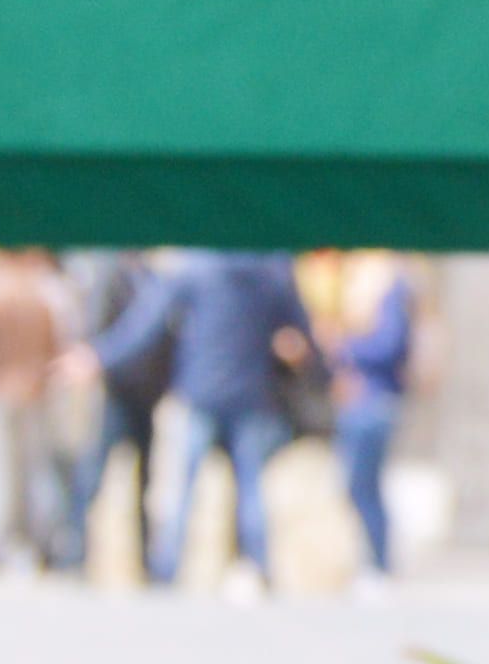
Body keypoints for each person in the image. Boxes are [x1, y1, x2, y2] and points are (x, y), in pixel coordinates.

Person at [106, 248, 315, 598]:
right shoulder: (271, 270)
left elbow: (147, 323)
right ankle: (257, 566)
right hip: (251, 394)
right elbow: (301, 331)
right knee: (251, 491)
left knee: (184, 491)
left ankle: (167, 570)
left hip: (201, 393)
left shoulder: (196, 268)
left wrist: (101, 356)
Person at [0, 250, 80, 574]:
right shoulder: (43, 295)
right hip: (35, 392)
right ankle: (42, 542)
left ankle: (1, 542)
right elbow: (57, 346)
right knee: (36, 472)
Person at [316, 252, 415, 591]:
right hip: (356, 401)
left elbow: (390, 345)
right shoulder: (361, 287)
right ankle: (370, 564)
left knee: (365, 487)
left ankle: (379, 565)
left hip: (374, 402)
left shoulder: (391, 287)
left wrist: (343, 347)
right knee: (358, 487)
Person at [70, 249, 169, 582]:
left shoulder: (153, 278)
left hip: (146, 394)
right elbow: (110, 329)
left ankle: (146, 561)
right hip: (117, 393)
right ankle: (76, 554)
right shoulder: (111, 275)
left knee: (144, 484)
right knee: (94, 476)